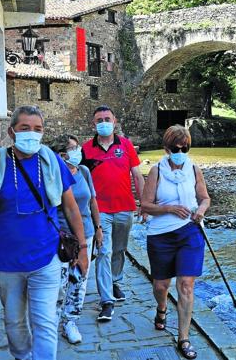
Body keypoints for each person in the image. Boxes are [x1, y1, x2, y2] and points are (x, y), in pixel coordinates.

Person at [0, 106, 88, 360]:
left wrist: (83, 249)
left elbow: (71, 208)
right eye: (25, 128)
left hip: (46, 257)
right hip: (7, 261)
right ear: (11, 131)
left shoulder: (51, 161)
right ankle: (22, 356)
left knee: (45, 321)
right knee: (14, 323)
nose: (32, 134)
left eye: (37, 129)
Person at [141, 125, 211, 360]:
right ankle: (161, 308)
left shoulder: (194, 169)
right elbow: (146, 205)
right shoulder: (156, 171)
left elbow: (204, 198)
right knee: (161, 286)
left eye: (185, 147)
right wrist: (169, 208)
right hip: (161, 235)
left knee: (186, 285)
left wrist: (201, 210)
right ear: (166, 148)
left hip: (190, 232)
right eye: (176, 147)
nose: (181, 151)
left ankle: (184, 337)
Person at [81, 105, 145, 321]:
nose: (103, 122)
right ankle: (106, 300)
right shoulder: (86, 149)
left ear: (115, 120)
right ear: (94, 124)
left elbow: (137, 175)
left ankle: (115, 281)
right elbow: (79, 179)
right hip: (100, 212)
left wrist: (144, 203)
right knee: (103, 252)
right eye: (99, 119)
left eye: (107, 118)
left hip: (125, 208)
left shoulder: (126, 146)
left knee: (119, 249)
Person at [50, 135, 102, 344]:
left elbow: (93, 201)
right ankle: (52, 322)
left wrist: (98, 228)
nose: (79, 151)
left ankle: (70, 321)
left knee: (79, 279)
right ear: (63, 154)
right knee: (59, 283)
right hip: (62, 237)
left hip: (86, 233)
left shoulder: (84, 171)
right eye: (74, 148)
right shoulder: (53, 175)